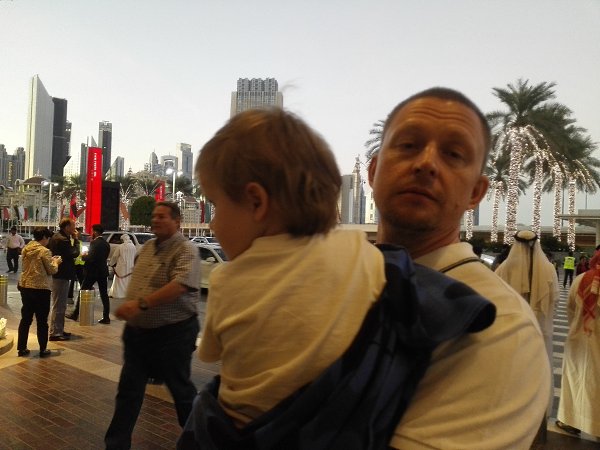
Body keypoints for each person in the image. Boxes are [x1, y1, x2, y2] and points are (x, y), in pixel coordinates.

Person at [178, 109, 495, 449]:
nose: (213, 224)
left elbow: (211, 354)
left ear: (257, 202)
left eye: (217, 206)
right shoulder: (361, 254)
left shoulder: (228, 280)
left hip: (244, 432)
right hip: (341, 428)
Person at [368, 87, 550, 448]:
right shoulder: (338, 280)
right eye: (408, 145)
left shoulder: (496, 325)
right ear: (373, 171)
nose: (426, 163)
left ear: (475, 194)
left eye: (453, 154)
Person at [105, 202, 200, 450]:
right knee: (128, 391)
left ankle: (200, 441)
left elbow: (180, 285)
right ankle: (115, 445)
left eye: (162, 216)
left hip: (173, 334)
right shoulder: (146, 247)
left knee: (181, 392)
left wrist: (141, 304)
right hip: (139, 335)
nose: (155, 220)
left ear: (177, 221)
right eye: (154, 216)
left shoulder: (186, 249)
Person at [495, 230, 558, 415]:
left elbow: (495, 299)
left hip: (512, 330)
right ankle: (538, 413)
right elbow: (555, 300)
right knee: (538, 371)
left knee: (513, 372)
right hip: (540, 329)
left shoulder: (505, 268)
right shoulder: (549, 269)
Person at [556, 251, 600, 437]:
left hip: (581, 338)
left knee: (577, 380)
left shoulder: (582, 279)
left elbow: (571, 308)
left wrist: (577, 326)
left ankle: (572, 421)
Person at [16, 227, 62, 357]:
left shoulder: (26, 249)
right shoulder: (44, 251)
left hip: (26, 286)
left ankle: (22, 348)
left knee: (26, 319)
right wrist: (56, 262)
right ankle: (43, 349)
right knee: (42, 320)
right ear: (44, 237)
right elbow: (52, 270)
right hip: (41, 289)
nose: (48, 241)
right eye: (48, 238)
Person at [66, 224, 110, 324]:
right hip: (103, 271)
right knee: (104, 294)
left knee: (82, 290)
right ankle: (106, 317)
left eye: (92, 231)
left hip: (92, 272)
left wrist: (83, 256)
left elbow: (91, 258)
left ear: (95, 232)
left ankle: (75, 314)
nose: (91, 233)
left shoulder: (94, 243)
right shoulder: (106, 244)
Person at [48, 218, 80, 341]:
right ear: (66, 227)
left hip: (59, 274)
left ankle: (59, 329)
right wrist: (76, 240)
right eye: (73, 225)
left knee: (60, 304)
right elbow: (74, 253)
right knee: (59, 305)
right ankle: (55, 332)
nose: (75, 228)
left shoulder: (57, 237)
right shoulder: (62, 239)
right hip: (61, 275)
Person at [108, 234, 136, 298]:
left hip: (121, 267)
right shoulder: (133, 246)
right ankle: (126, 294)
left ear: (123, 239)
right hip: (131, 267)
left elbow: (115, 256)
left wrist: (111, 263)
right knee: (128, 280)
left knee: (119, 281)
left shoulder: (120, 247)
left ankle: (118, 294)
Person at [67, 229, 85, 302]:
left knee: (82, 281)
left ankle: (82, 296)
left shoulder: (80, 242)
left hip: (80, 264)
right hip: (73, 264)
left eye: (79, 233)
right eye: (77, 233)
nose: (79, 234)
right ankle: (69, 297)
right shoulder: (70, 242)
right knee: (71, 281)